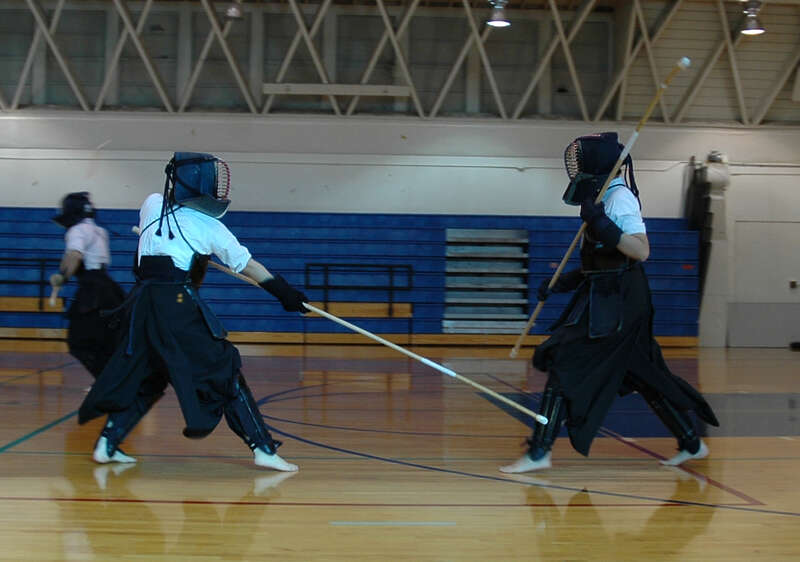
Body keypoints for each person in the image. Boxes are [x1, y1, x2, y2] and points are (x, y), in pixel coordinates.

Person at [500, 132, 719, 474]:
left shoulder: (619, 199)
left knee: (564, 360)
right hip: (609, 297)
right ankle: (692, 443)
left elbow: (640, 251)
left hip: (620, 304)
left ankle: (540, 451)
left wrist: (601, 223)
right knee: (643, 373)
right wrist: (560, 283)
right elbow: (601, 263)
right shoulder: (603, 196)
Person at [78, 152, 307, 471]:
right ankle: (263, 448)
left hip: (142, 304)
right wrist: (286, 294)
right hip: (176, 306)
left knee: (151, 374)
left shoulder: (151, 204)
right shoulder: (209, 226)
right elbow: (249, 266)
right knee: (224, 369)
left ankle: (107, 442)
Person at [50, 192, 126, 378]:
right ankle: (112, 382)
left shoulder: (76, 231)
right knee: (107, 341)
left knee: (78, 341)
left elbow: (74, 255)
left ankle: (106, 383)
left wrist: (62, 276)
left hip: (93, 292)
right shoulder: (101, 231)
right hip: (109, 289)